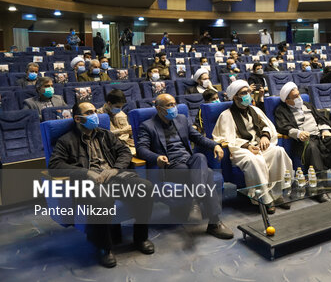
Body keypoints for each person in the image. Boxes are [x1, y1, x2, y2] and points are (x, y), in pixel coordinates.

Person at [49, 101, 154, 268]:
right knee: (102, 199)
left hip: (114, 177)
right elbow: (54, 166)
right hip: (90, 183)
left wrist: (115, 169)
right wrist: (86, 172)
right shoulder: (66, 140)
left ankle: (140, 238)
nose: (95, 115)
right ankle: (104, 248)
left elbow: (125, 152)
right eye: (89, 112)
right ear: (78, 118)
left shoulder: (105, 134)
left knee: (145, 187)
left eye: (95, 111)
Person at [136, 94, 233, 239]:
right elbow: (141, 149)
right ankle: (214, 223)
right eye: (169, 105)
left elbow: (198, 138)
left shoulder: (181, 119)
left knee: (200, 157)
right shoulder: (147, 126)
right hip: (171, 166)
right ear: (158, 108)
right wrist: (156, 158)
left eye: (174, 104)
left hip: (189, 161)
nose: (173, 108)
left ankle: (195, 200)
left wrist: (215, 145)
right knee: (206, 171)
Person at [212, 80, 293, 214]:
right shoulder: (226, 115)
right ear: (235, 97)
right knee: (254, 160)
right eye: (244, 93)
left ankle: (277, 194)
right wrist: (247, 146)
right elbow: (226, 138)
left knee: (278, 151)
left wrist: (265, 136)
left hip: (259, 145)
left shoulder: (255, 110)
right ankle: (264, 198)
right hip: (241, 150)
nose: (248, 95)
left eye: (248, 92)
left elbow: (266, 126)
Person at [274, 82, 331, 202]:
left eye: (298, 95)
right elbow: (283, 127)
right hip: (304, 142)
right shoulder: (281, 110)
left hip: (321, 136)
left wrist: (325, 130)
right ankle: (319, 188)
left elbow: (321, 119)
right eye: (295, 97)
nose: (299, 98)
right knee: (312, 148)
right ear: (287, 100)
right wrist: (298, 133)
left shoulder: (307, 105)